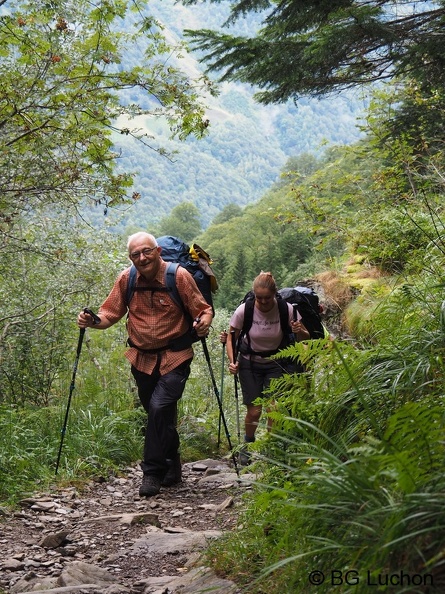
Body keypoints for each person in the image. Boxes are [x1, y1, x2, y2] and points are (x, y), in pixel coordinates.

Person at [77, 232, 213, 497]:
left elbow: (202, 309)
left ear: (158, 251)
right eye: (135, 254)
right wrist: (92, 321)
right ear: (131, 258)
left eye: (146, 251)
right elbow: (110, 314)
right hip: (142, 359)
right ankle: (172, 462)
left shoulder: (179, 277)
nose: (141, 258)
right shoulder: (126, 279)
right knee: (159, 415)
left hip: (176, 355)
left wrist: (205, 320)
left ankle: (152, 472)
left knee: (159, 407)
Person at [226, 271, 309, 465]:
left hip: (277, 363)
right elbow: (232, 337)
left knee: (274, 408)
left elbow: (305, 338)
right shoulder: (243, 310)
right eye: (259, 298)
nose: (263, 302)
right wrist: (232, 361)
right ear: (254, 294)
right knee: (254, 411)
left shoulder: (286, 309)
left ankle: (272, 447)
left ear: (275, 294)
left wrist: (300, 330)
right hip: (249, 363)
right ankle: (248, 443)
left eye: (267, 298)